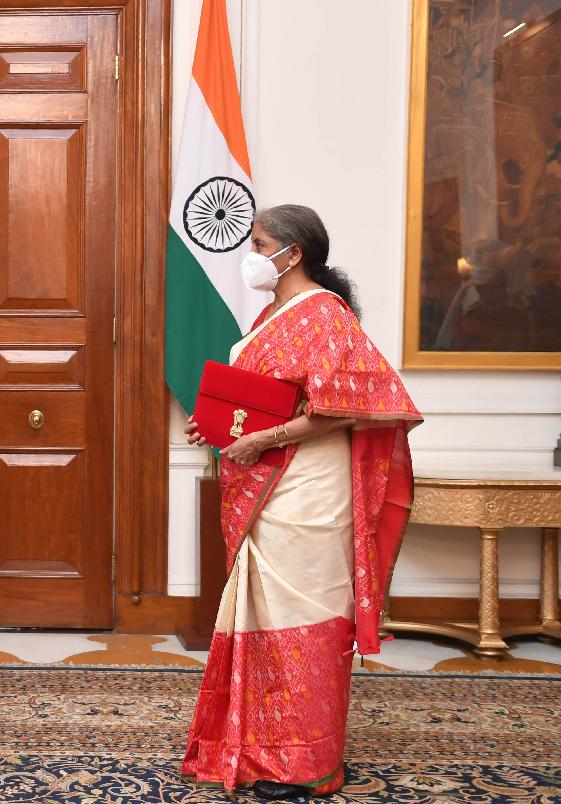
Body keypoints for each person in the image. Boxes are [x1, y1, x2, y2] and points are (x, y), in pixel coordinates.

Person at [182, 205, 422, 799]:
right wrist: (215, 424)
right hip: (272, 479)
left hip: (309, 487)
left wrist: (263, 440)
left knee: (303, 621)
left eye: (259, 243)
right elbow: (264, 400)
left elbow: (343, 408)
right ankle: (260, 750)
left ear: (292, 254)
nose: (251, 255)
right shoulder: (275, 314)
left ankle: (306, 763)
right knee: (267, 618)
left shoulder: (324, 314)